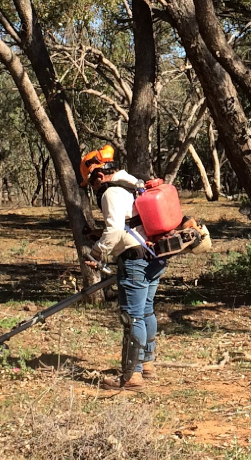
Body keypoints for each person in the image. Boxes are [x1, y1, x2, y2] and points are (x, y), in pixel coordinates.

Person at [80, 145, 162, 391]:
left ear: (98, 175)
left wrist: (97, 252)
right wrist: (100, 233)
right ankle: (146, 364)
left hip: (135, 259)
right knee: (146, 311)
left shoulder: (110, 192)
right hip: (154, 255)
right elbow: (131, 222)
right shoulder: (134, 184)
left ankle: (131, 375)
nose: (93, 189)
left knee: (132, 316)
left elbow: (116, 229)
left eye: (91, 183)